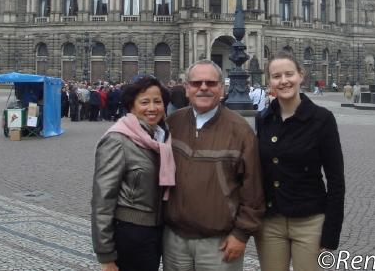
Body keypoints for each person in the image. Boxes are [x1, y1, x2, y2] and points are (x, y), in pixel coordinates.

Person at [163, 59, 265, 271]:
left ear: (222, 88)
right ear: (187, 88)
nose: (203, 88)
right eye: (196, 83)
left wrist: (241, 234)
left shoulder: (240, 130)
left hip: (219, 243)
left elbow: (253, 190)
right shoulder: (173, 123)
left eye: (211, 83)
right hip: (175, 240)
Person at [255, 52, 345, 271]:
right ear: (270, 82)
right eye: (276, 76)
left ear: (301, 76)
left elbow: (336, 181)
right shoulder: (263, 119)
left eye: (289, 74)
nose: (283, 81)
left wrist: (330, 234)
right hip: (271, 222)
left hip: (310, 222)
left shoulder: (322, 119)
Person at [91, 76, 175, 271]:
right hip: (129, 234)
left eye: (157, 101)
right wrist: (106, 256)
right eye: (144, 102)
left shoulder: (161, 138)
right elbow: (102, 200)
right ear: (131, 106)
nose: (152, 108)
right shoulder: (117, 140)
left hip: (155, 232)